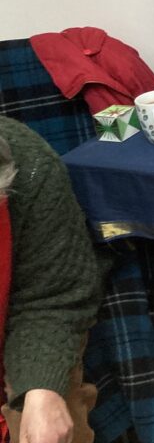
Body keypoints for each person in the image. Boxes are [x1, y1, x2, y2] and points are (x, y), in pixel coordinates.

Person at [0, 116, 103, 443]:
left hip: (19, 325)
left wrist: (40, 386)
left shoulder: (29, 164)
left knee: (51, 414)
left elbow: (51, 296)